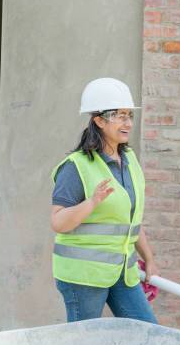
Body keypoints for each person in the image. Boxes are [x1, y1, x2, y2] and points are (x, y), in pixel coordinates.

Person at [50, 77, 158, 324]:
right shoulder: (76, 166)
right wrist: (92, 202)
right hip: (83, 277)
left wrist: (149, 259)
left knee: (147, 334)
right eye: (119, 115)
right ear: (98, 120)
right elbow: (58, 222)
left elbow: (130, 222)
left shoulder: (129, 160)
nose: (127, 123)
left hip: (124, 273)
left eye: (129, 115)